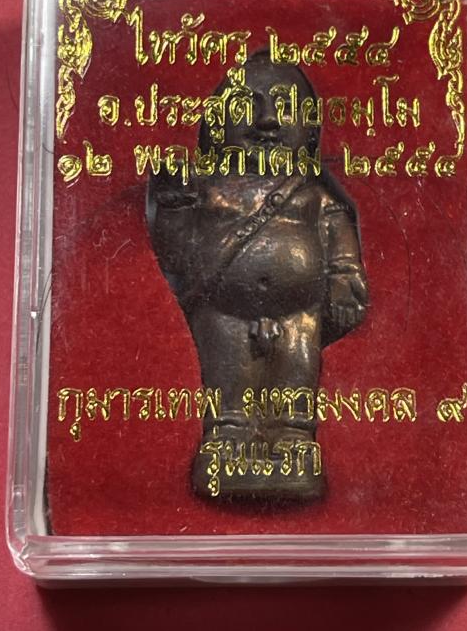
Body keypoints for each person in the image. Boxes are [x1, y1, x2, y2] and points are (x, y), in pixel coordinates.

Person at [146, 50, 368, 501]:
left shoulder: (313, 196)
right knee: (228, 389)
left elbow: (341, 248)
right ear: (216, 124)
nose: (267, 121)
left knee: (294, 381)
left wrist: (344, 282)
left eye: (285, 106)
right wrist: (172, 205)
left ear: (310, 128)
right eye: (246, 106)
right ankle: (226, 440)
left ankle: (293, 442)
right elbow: (178, 256)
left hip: (300, 316)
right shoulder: (209, 190)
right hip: (223, 314)